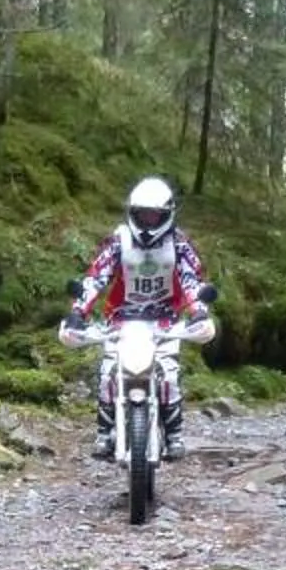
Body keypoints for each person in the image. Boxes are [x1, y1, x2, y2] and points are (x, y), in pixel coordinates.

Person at [66, 175, 207, 458]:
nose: (148, 221)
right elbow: (96, 277)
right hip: (121, 319)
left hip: (164, 320)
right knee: (109, 374)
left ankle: (175, 435)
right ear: (132, 213)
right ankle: (104, 434)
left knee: (168, 375)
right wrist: (77, 312)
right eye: (142, 214)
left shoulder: (179, 244)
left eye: (155, 215)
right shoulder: (118, 241)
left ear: (166, 215)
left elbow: (193, 281)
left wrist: (199, 311)